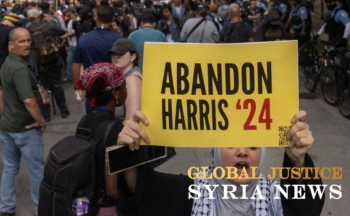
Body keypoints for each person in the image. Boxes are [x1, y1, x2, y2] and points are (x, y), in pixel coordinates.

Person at [114, 110, 325, 216]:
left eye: (252, 147)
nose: (242, 152)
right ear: (215, 154)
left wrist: (298, 160)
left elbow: (307, 207)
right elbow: (144, 192)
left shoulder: (276, 197)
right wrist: (131, 151)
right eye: (232, 145)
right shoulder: (189, 192)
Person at [0, 28, 46, 216]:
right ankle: (40, 209)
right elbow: (28, 100)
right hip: (24, 129)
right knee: (37, 171)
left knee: (9, 168)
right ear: (11, 45)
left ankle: (6, 208)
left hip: (7, 126)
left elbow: (2, 91)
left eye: (28, 40)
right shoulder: (18, 68)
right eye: (21, 41)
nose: (27, 44)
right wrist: (41, 120)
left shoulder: (8, 63)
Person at [76, 62, 126, 216]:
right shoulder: (114, 130)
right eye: (124, 86)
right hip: (105, 208)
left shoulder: (85, 120)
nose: (127, 90)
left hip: (84, 204)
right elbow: (112, 189)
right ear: (116, 94)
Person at [72, 5, 123, 113]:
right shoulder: (118, 39)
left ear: (96, 18)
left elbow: (75, 67)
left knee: (93, 121)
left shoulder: (83, 39)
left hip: (92, 89)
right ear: (113, 19)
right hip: (113, 89)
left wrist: (77, 88)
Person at [26, 8, 70, 121]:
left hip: (38, 63)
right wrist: (51, 21)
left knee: (42, 89)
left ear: (29, 18)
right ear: (40, 16)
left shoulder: (27, 30)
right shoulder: (49, 25)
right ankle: (64, 110)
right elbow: (62, 31)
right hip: (54, 60)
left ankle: (46, 114)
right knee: (57, 86)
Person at [107, 39, 142, 122]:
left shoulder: (132, 80)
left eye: (120, 53)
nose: (115, 56)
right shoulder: (121, 77)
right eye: (113, 53)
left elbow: (132, 121)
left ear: (133, 57)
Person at [60, 6, 77, 82]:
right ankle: (68, 76)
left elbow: (75, 32)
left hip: (77, 44)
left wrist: (66, 36)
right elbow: (68, 31)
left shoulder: (77, 20)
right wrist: (64, 40)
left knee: (77, 61)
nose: (65, 13)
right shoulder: (70, 21)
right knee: (68, 60)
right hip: (71, 44)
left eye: (67, 12)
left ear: (71, 12)